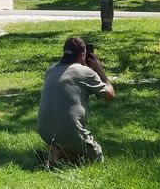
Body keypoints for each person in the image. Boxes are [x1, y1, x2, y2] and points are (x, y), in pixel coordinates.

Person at [37, 37, 115, 165]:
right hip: (69, 133)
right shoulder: (86, 72)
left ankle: (57, 150)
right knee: (97, 159)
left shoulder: (50, 70)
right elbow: (110, 95)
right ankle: (60, 155)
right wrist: (99, 70)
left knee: (69, 142)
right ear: (83, 54)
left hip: (45, 132)